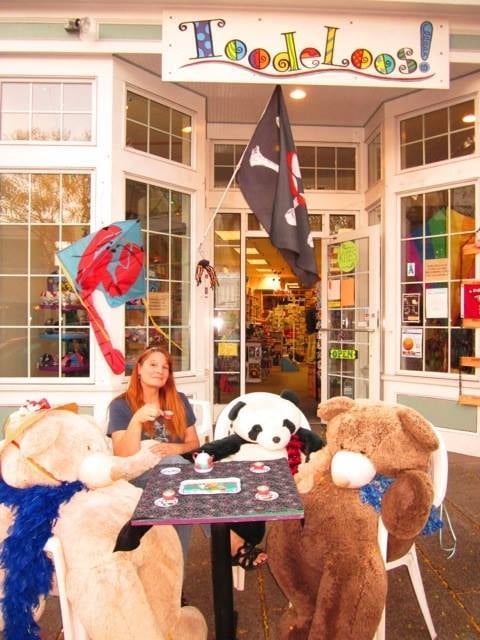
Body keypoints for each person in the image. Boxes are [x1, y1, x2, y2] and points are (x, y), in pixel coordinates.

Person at [107, 345, 266, 569]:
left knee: (182, 493)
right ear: (139, 369)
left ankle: (177, 579)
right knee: (183, 477)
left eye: (165, 367)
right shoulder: (120, 405)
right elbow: (123, 456)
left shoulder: (178, 400)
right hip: (139, 476)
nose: (160, 370)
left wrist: (173, 448)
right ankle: (232, 541)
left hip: (177, 477)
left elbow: (193, 444)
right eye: (153, 364)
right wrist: (137, 420)